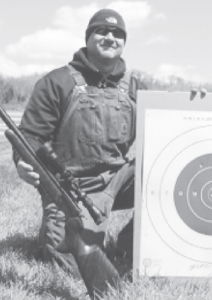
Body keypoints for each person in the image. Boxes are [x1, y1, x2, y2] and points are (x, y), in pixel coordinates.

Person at [13, 8, 136, 283]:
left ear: (124, 42)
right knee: (68, 267)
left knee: (163, 177)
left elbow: (163, 125)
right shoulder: (57, 82)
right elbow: (30, 136)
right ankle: (66, 232)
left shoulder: (135, 88)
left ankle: (130, 245)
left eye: (117, 34)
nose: (109, 37)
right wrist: (22, 163)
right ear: (88, 37)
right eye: (101, 31)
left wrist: (190, 102)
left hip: (118, 184)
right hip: (72, 188)